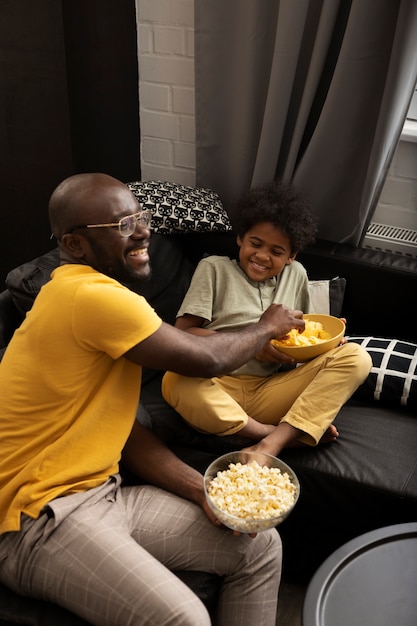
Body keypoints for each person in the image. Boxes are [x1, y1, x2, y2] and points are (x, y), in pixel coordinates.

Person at [0, 173, 309, 626]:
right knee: (184, 618)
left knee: (258, 544)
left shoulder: (102, 305)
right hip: (38, 519)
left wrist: (202, 492)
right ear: (76, 244)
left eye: (141, 217)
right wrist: (267, 326)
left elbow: (127, 435)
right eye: (123, 225)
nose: (144, 231)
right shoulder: (87, 295)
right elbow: (204, 359)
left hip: (105, 495)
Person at [162, 181, 372, 456]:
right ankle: (273, 435)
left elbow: (300, 341)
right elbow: (184, 334)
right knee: (174, 379)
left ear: (291, 256)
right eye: (255, 244)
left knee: (357, 357)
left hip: (270, 390)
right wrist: (253, 342)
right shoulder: (213, 268)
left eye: (276, 251)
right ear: (240, 238)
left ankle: (269, 443)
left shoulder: (296, 274)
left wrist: (325, 343)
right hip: (216, 384)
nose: (262, 256)